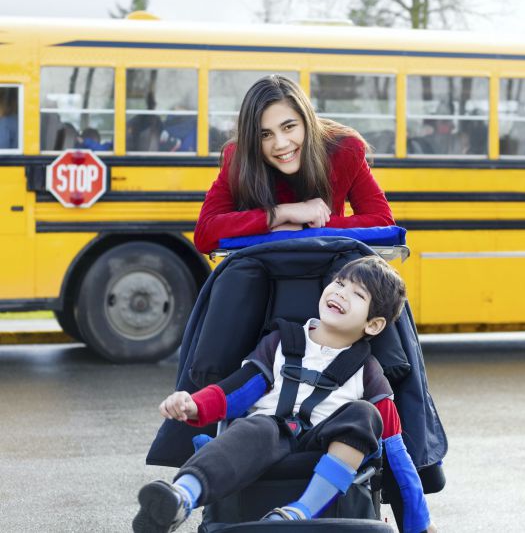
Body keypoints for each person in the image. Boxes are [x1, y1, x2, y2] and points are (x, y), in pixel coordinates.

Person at [132, 256, 435, 533]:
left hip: (328, 448)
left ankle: (299, 512)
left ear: (374, 324)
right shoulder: (281, 342)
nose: (341, 293)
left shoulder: (369, 372)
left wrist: (420, 526)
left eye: (357, 294)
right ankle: (180, 497)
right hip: (266, 437)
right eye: (339, 283)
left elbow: (397, 455)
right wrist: (193, 404)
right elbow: (234, 392)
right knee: (257, 425)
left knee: (365, 414)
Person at [194, 76, 394, 254]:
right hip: (262, 273)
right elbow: (205, 234)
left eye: (289, 127)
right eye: (265, 135)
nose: (281, 144)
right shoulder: (240, 158)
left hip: (329, 273)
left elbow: (383, 223)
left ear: (307, 122)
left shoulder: (344, 150)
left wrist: (306, 227)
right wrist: (281, 214)